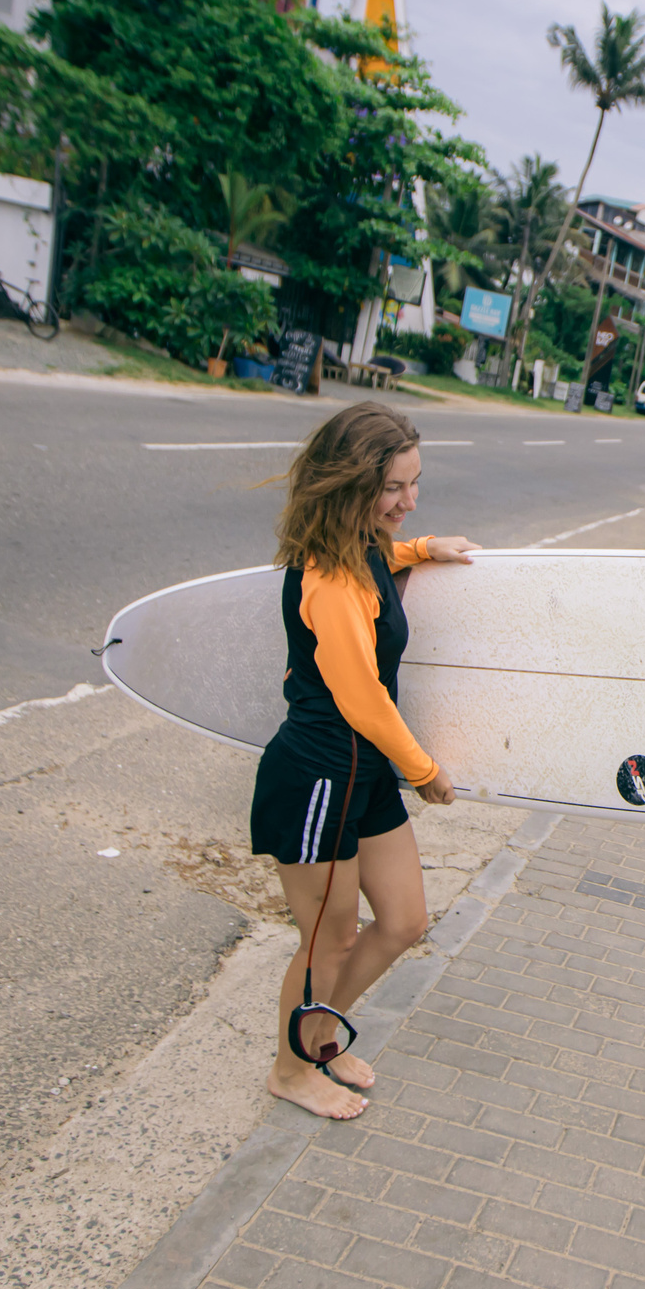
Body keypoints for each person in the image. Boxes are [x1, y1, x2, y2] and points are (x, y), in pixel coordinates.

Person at [250, 402, 479, 1120]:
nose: (409, 501)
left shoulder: (362, 548)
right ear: (352, 487)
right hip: (318, 775)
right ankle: (291, 1069)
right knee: (330, 936)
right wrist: (425, 770)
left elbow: (382, 561)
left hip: (364, 773)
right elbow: (364, 701)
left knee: (405, 919)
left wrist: (423, 547)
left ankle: (315, 1038)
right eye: (395, 489)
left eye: (414, 484)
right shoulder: (327, 578)